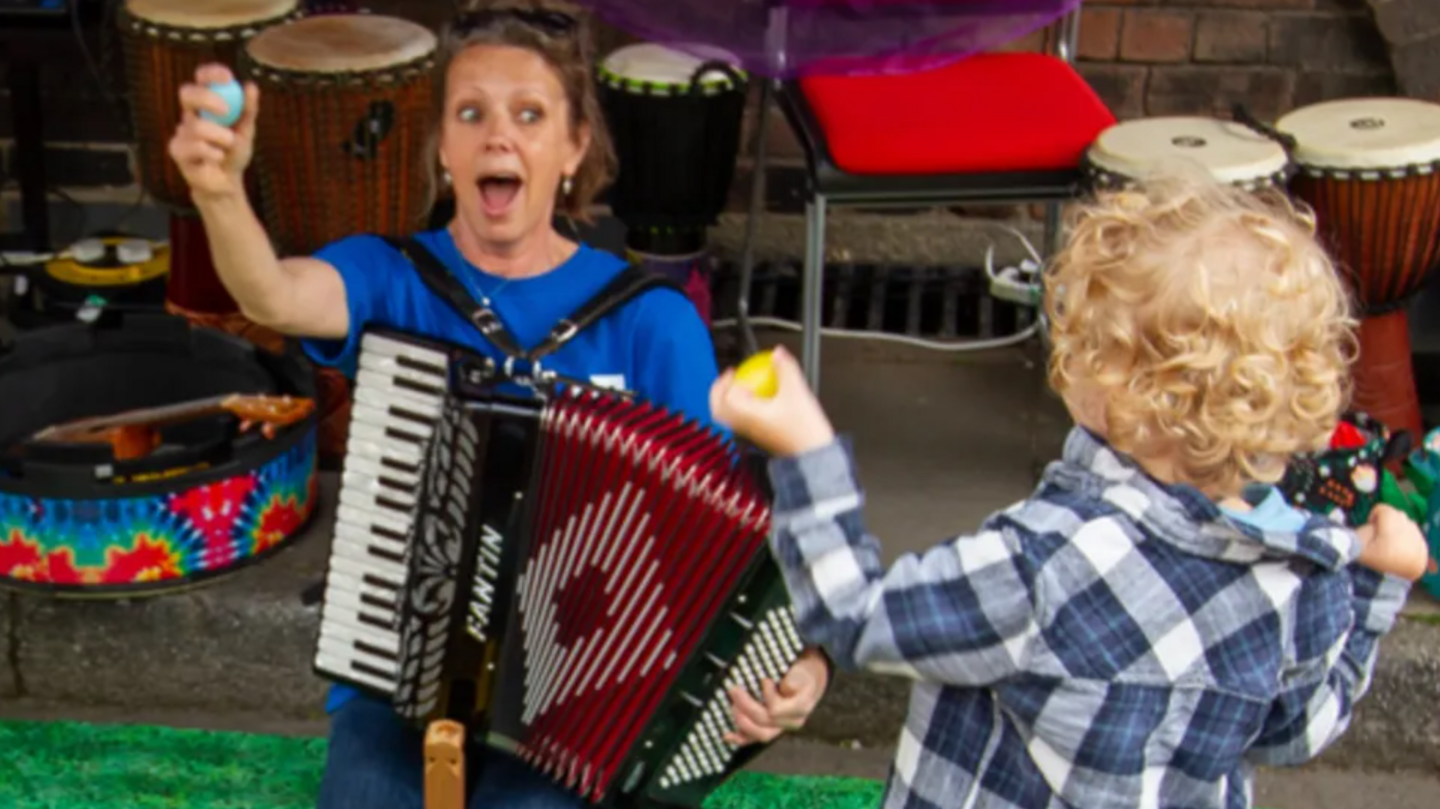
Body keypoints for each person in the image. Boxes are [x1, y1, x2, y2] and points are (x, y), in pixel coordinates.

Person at [165, 6, 830, 808]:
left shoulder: (651, 322)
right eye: (470, 113)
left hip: (580, 701)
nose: (497, 137)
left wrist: (807, 662)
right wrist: (219, 191)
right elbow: (271, 292)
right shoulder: (392, 275)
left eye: (530, 114)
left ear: (574, 146)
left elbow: (724, 546)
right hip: (395, 675)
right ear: (442, 147)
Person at [711, 167, 1430, 809]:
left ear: (1112, 390)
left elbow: (852, 613)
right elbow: (1298, 729)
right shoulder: (1301, 574)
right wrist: (1376, 585)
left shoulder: (1043, 566)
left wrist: (805, 450)